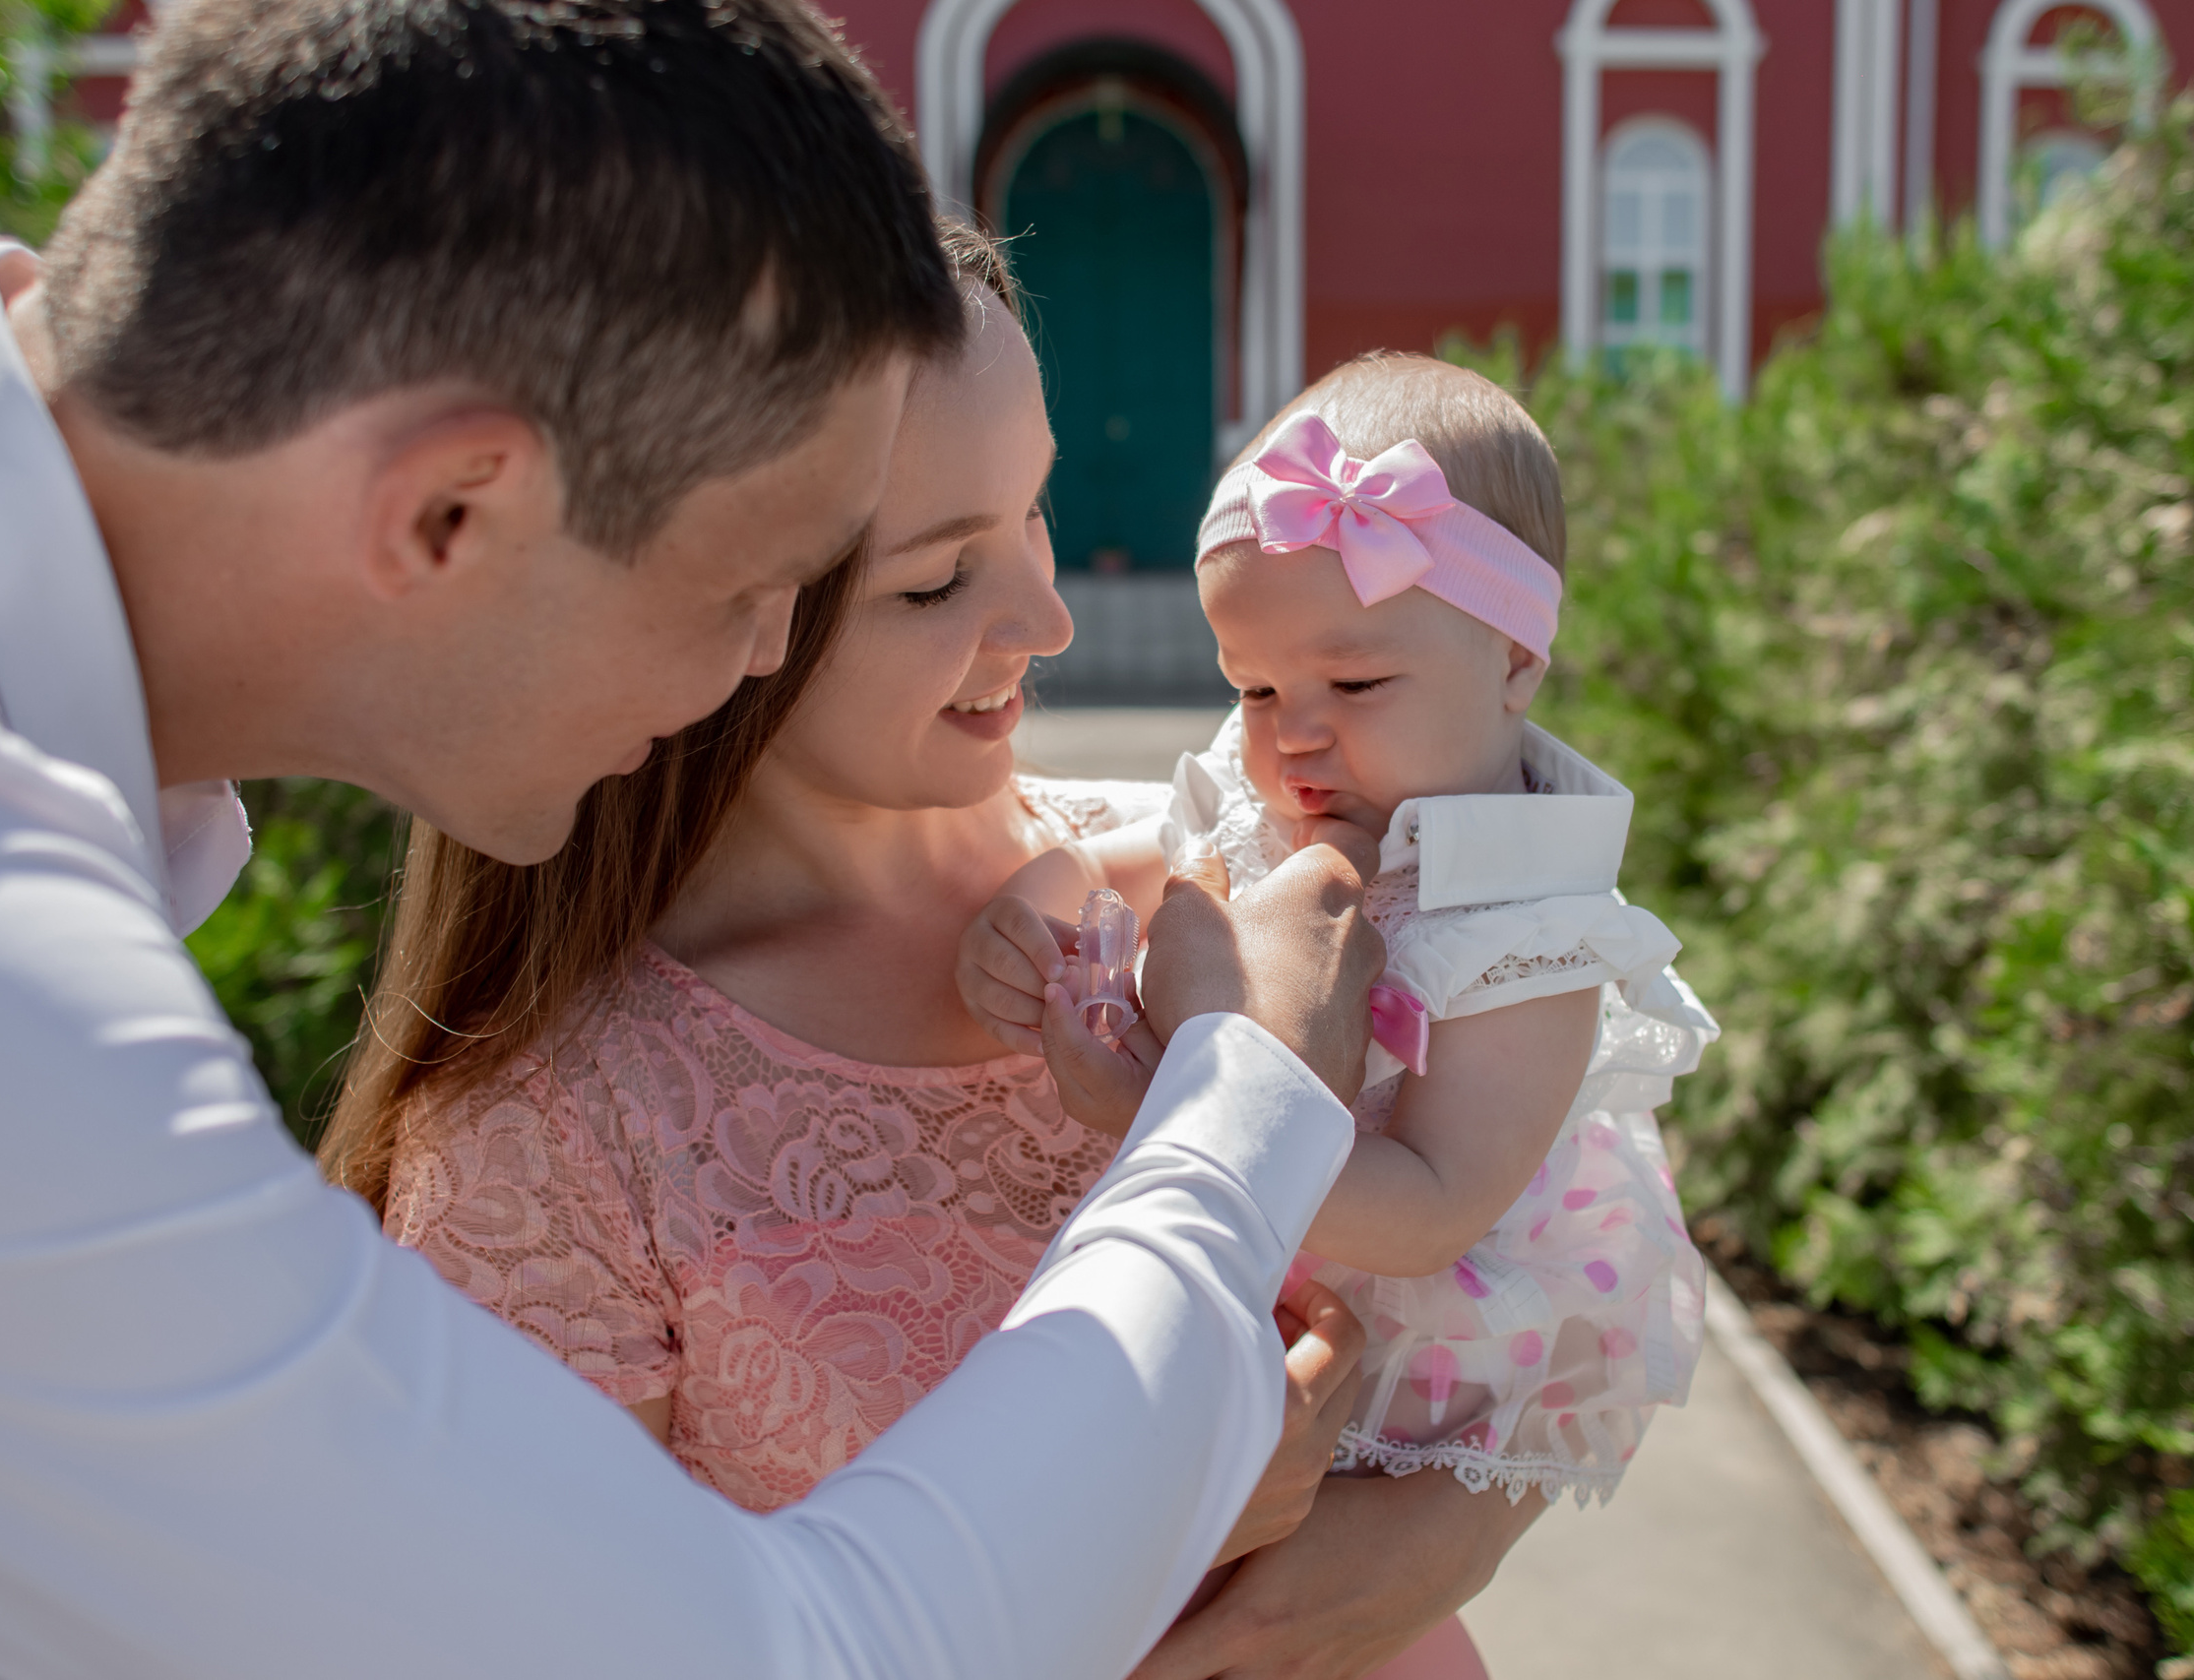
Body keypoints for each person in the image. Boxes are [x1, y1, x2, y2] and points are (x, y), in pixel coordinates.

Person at [0, 4, 1391, 1678]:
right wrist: (1242, 1113)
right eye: (743, 584)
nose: (754, 663)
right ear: (449, 510)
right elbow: (776, 1653)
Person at [352, 253, 1552, 1680]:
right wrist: (1133, 1523)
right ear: (695, 605)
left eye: (1035, 508)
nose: (1048, 619)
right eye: (934, 581)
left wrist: (1440, 1535)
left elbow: (1567, 1234)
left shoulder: (1215, 862)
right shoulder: (546, 1133)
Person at [963, 354, 1725, 1675]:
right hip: (1260, 1305)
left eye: (1354, 687)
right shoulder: (1279, 798)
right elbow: (1143, 853)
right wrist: (1031, 906)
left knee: (1338, 1623)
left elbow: (1434, 1204)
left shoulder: (1526, 926)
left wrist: (1169, 1112)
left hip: (1411, 1355)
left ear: (1515, 662)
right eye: (1255, 688)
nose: (1293, 738)